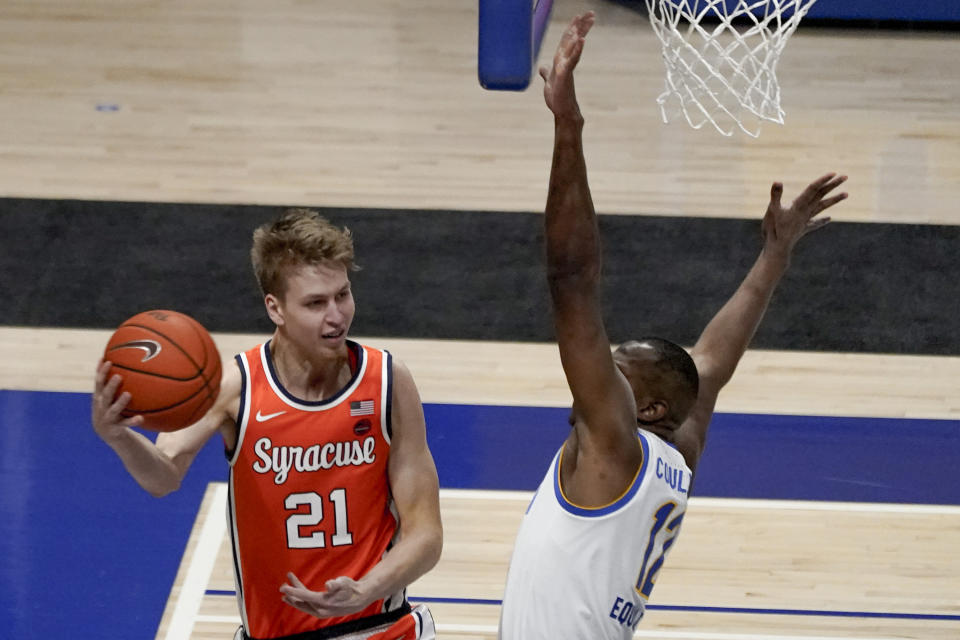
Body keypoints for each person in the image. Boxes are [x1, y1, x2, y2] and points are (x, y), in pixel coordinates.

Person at [498, 13, 848, 640]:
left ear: (651, 405)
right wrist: (772, 259)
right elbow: (710, 367)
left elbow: (572, 278)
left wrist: (568, 128)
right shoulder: (678, 448)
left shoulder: (613, 444)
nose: (598, 373)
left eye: (616, 372)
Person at [92, 209, 443, 640]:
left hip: (380, 627)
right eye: (316, 303)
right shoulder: (237, 388)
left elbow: (426, 535)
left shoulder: (388, 382)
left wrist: (366, 590)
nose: (337, 315)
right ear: (274, 308)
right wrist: (118, 437)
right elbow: (164, 475)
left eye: (343, 295)